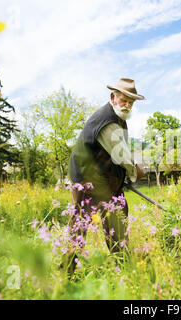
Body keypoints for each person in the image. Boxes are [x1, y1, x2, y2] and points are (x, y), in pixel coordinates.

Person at [66, 78, 146, 274]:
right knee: (79, 229)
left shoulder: (120, 118)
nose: (127, 105)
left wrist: (123, 177)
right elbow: (123, 155)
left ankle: (124, 270)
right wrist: (136, 171)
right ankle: (66, 273)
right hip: (86, 182)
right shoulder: (107, 121)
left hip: (108, 183)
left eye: (130, 102)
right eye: (123, 100)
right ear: (113, 97)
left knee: (118, 222)